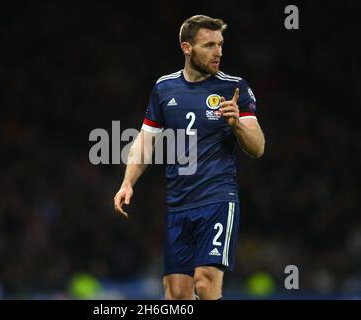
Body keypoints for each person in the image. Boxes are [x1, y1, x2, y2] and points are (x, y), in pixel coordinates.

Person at [113, 15, 265, 300]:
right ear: (187, 47)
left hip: (218, 199)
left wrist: (237, 124)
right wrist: (127, 183)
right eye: (209, 45)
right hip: (179, 204)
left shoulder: (235, 88)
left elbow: (258, 147)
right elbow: (146, 140)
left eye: (220, 44)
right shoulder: (164, 88)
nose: (218, 51)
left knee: (205, 283)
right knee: (177, 294)